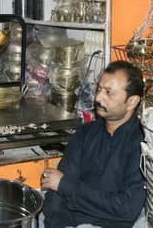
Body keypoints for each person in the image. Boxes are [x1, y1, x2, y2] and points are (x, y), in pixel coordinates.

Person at [41, 60, 145, 228]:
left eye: (109, 93)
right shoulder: (85, 133)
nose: (98, 98)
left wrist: (67, 187)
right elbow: (56, 192)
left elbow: (127, 208)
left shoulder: (141, 144)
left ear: (132, 101)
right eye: (99, 89)